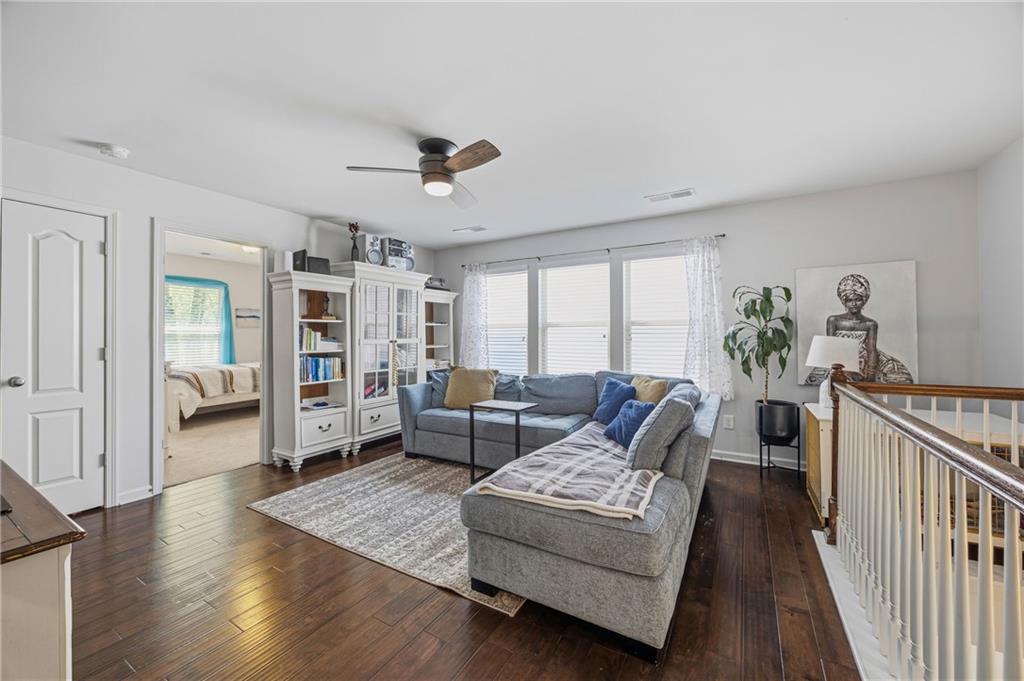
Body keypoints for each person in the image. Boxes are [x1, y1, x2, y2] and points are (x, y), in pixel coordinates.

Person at [824, 273, 913, 383]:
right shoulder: (833, 320)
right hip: (838, 365)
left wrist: (870, 374)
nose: (854, 304)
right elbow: (830, 349)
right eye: (849, 300)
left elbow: (871, 350)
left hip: (864, 364)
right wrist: (848, 371)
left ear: (864, 300)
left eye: (858, 299)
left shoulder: (870, 324)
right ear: (844, 301)